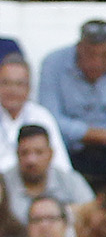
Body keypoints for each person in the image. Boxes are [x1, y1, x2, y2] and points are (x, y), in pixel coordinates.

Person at [0, 57, 85, 195]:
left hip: (37, 187)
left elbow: (61, 165)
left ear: (29, 88)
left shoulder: (41, 116)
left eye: (19, 84)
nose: (12, 90)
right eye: (6, 83)